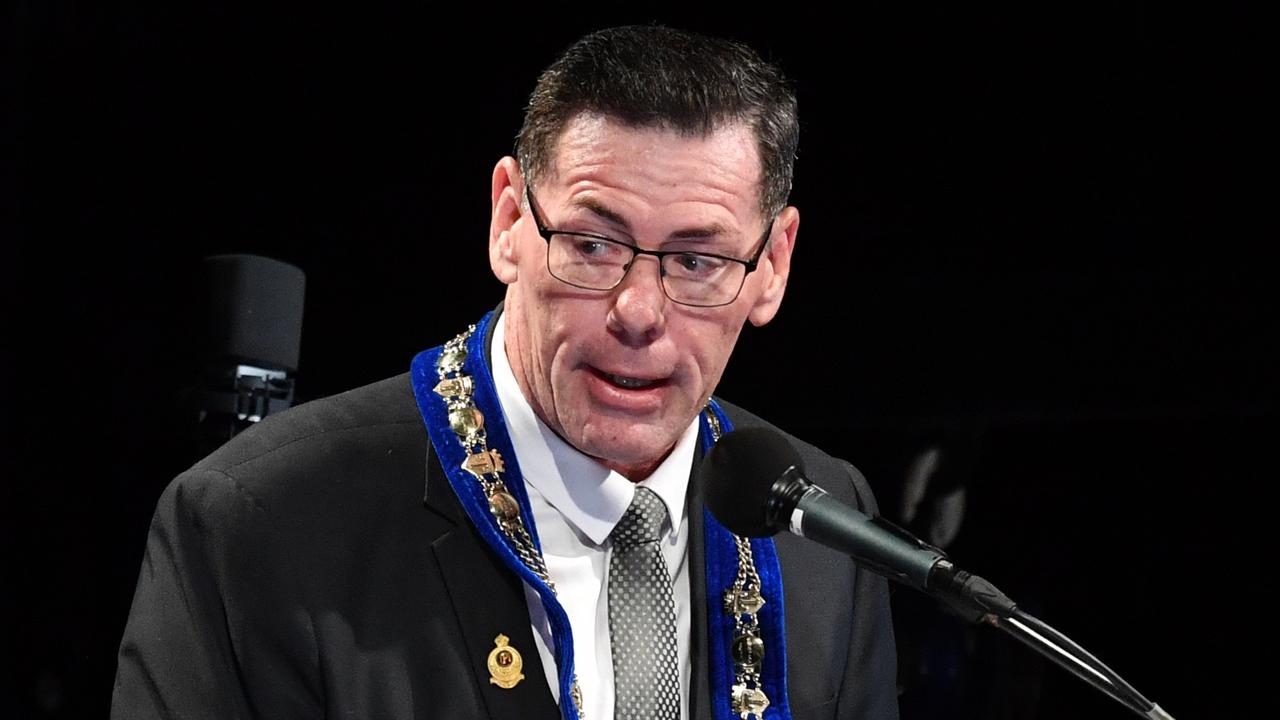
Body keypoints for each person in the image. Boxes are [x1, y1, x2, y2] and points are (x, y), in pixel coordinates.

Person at [112, 25, 899, 720]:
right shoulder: (258, 526)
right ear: (510, 222)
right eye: (593, 244)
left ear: (773, 266)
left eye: (697, 261)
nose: (638, 310)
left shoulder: (825, 532)